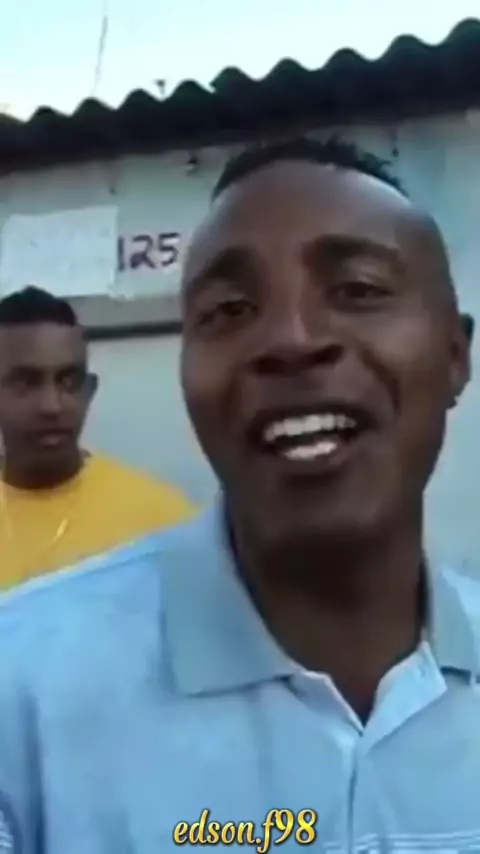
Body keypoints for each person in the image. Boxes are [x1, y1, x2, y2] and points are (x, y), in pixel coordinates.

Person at [0, 137, 478, 853]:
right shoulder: (19, 696)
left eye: (358, 289)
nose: (290, 339)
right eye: (229, 309)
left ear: (454, 356)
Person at [0, 285, 194, 590]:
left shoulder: (164, 523)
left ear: (89, 391)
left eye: (69, 381)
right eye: (26, 382)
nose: (52, 405)